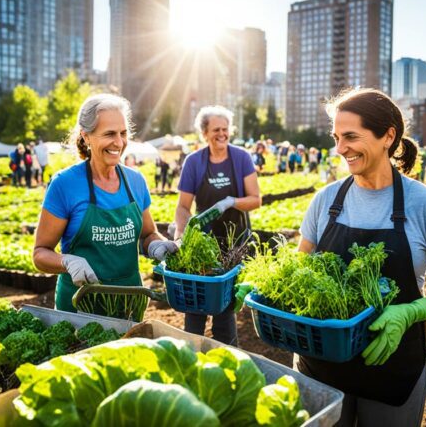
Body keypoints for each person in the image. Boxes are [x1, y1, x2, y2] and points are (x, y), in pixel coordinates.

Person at [296, 89, 426, 426]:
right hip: (319, 366)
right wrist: (260, 287)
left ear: (388, 136)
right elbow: (298, 271)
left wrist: (415, 310)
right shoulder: (325, 201)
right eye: (337, 137)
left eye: (351, 136)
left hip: (392, 370)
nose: (340, 149)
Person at [33, 94, 177, 316]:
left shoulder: (135, 182)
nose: (119, 143)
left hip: (130, 304)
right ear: (86, 136)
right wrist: (68, 262)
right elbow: (40, 253)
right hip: (80, 306)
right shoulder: (65, 184)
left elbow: (148, 234)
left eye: (123, 133)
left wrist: (157, 244)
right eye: (109, 134)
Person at [174, 105, 262, 345]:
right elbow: (183, 207)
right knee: (196, 304)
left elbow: (256, 200)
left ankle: (227, 356)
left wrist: (232, 202)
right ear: (204, 133)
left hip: (235, 243)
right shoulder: (194, 162)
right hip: (204, 243)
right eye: (216, 129)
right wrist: (181, 235)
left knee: (225, 306)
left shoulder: (241, 157)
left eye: (225, 129)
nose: (222, 134)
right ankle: (191, 353)